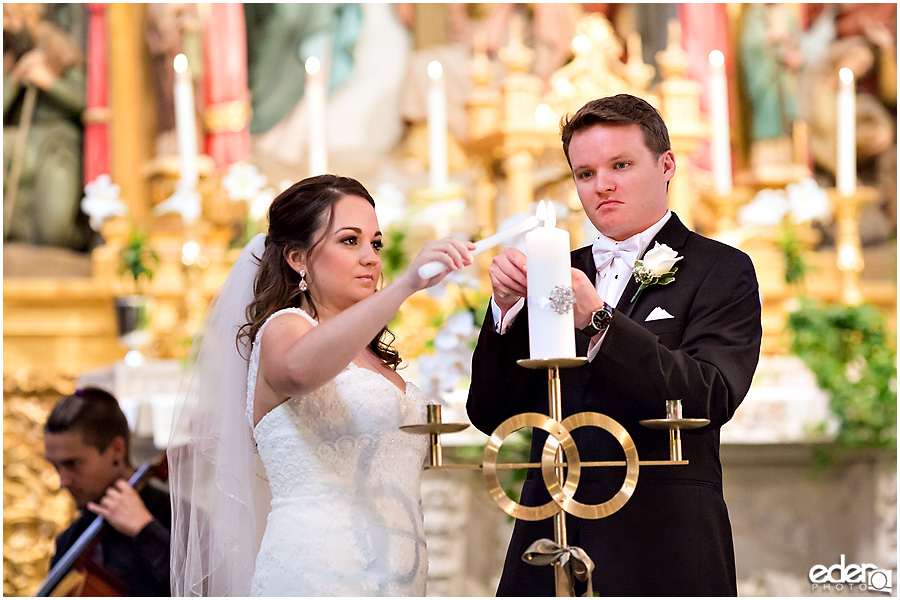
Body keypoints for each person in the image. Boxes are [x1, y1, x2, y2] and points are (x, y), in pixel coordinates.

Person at [467, 94, 762, 596]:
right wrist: (505, 310)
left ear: (666, 165)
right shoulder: (555, 266)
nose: (601, 185)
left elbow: (710, 395)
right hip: (551, 529)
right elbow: (491, 412)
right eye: (584, 173)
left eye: (620, 165)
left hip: (662, 537)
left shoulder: (720, 270)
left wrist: (603, 321)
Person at [168, 174, 475, 596]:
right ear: (297, 258)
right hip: (318, 574)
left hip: (399, 580)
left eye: (376, 243)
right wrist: (407, 284)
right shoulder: (283, 329)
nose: (370, 257)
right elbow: (299, 372)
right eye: (350, 241)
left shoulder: (372, 357)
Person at [43, 386, 170, 596]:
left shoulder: (177, 518)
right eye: (55, 466)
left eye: (73, 464)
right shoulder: (71, 539)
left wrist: (146, 531)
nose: (63, 481)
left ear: (116, 450)